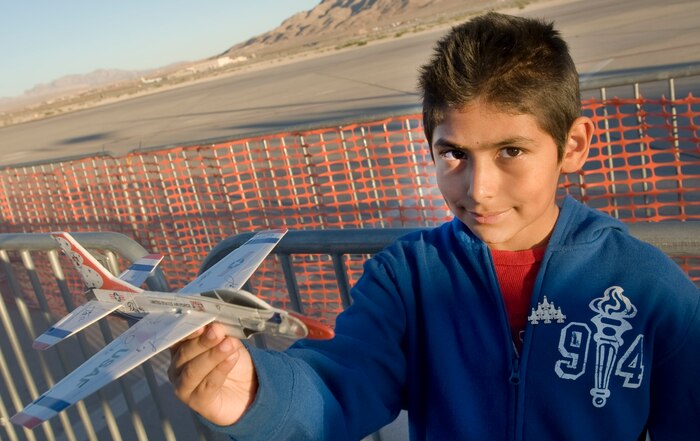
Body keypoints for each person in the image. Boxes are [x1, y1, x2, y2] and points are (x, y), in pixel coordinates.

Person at [168, 12, 700, 440]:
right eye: (454, 155)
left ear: (574, 145)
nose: (479, 188)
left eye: (511, 150)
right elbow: (339, 382)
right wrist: (257, 394)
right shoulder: (405, 279)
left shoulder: (648, 286)